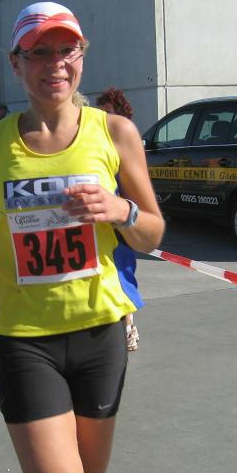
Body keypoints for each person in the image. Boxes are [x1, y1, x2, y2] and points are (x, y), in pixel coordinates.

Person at [0, 1, 164, 473]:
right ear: (15, 63)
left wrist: (121, 211)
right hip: (25, 339)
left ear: (82, 56)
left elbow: (153, 232)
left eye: (67, 50)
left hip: (101, 334)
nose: (56, 63)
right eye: (39, 52)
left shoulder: (115, 133)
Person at [95, 87, 139, 351]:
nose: (104, 118)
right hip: (100, 227)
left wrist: (123, 211)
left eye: (108, 112)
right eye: (100, 113)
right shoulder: (95, 145)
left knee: (122, 276)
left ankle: (129, 328)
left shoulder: (127, 145)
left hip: (122, 224)